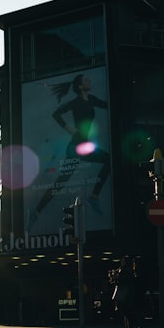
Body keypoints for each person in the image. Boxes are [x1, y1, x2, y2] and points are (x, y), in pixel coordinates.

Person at [26, 73, 112, 231]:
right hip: (75, 148)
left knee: (108, 160)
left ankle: (93, 197)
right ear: (80, 86)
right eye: (86, 80)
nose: (89, 81)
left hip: (84, 146)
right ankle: (36, 212)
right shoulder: (76, 102)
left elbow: (107, 104)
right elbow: (56, 114)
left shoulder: (91, 99)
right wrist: (69, 129)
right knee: (60, 183)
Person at [110, 256, 138, 328]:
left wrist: (116, 277)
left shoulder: (126, 271)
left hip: (125, 293)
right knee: (126, 312)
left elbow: (122, 281)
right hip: (127, 293)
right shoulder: (127, 271)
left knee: (126, 312)